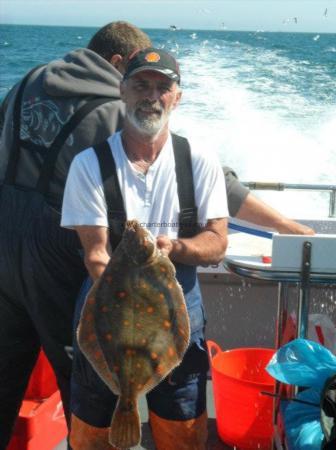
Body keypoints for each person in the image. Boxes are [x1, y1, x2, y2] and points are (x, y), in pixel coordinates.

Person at [61, 47, 229, 450]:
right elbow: (96, 254)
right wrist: (132, 290)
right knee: (91, 436)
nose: (151, 96)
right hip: (108, 310)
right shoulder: (89, 164)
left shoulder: (199, 160)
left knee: (183, 432)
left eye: (162, 87)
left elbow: (217, 242)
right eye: (141, 85)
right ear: (122, 90)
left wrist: (176, 249)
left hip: (179, 311)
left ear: (177, 97)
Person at [0, 21, 152, 448]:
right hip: (56, 256)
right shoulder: (115, 114)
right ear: (118, 63)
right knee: (82, 379)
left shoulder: (25, 83)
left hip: (3, 245)